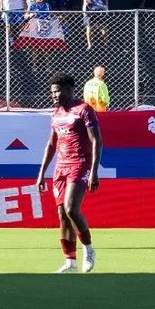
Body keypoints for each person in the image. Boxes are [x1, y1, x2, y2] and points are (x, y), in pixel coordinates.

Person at [34, 73, 101, 273]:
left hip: (80, 164)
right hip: (60, 168)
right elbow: (51, 144)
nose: (54, 95)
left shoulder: (84, 110)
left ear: (70, 90)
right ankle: (70, 262)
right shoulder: (55, 113)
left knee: (71, 208)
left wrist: (94, 172)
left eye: (58, 91)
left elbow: (97, 140)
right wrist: (41, 174)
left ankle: (89, 249)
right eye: (52, 92)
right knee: (62, 213)